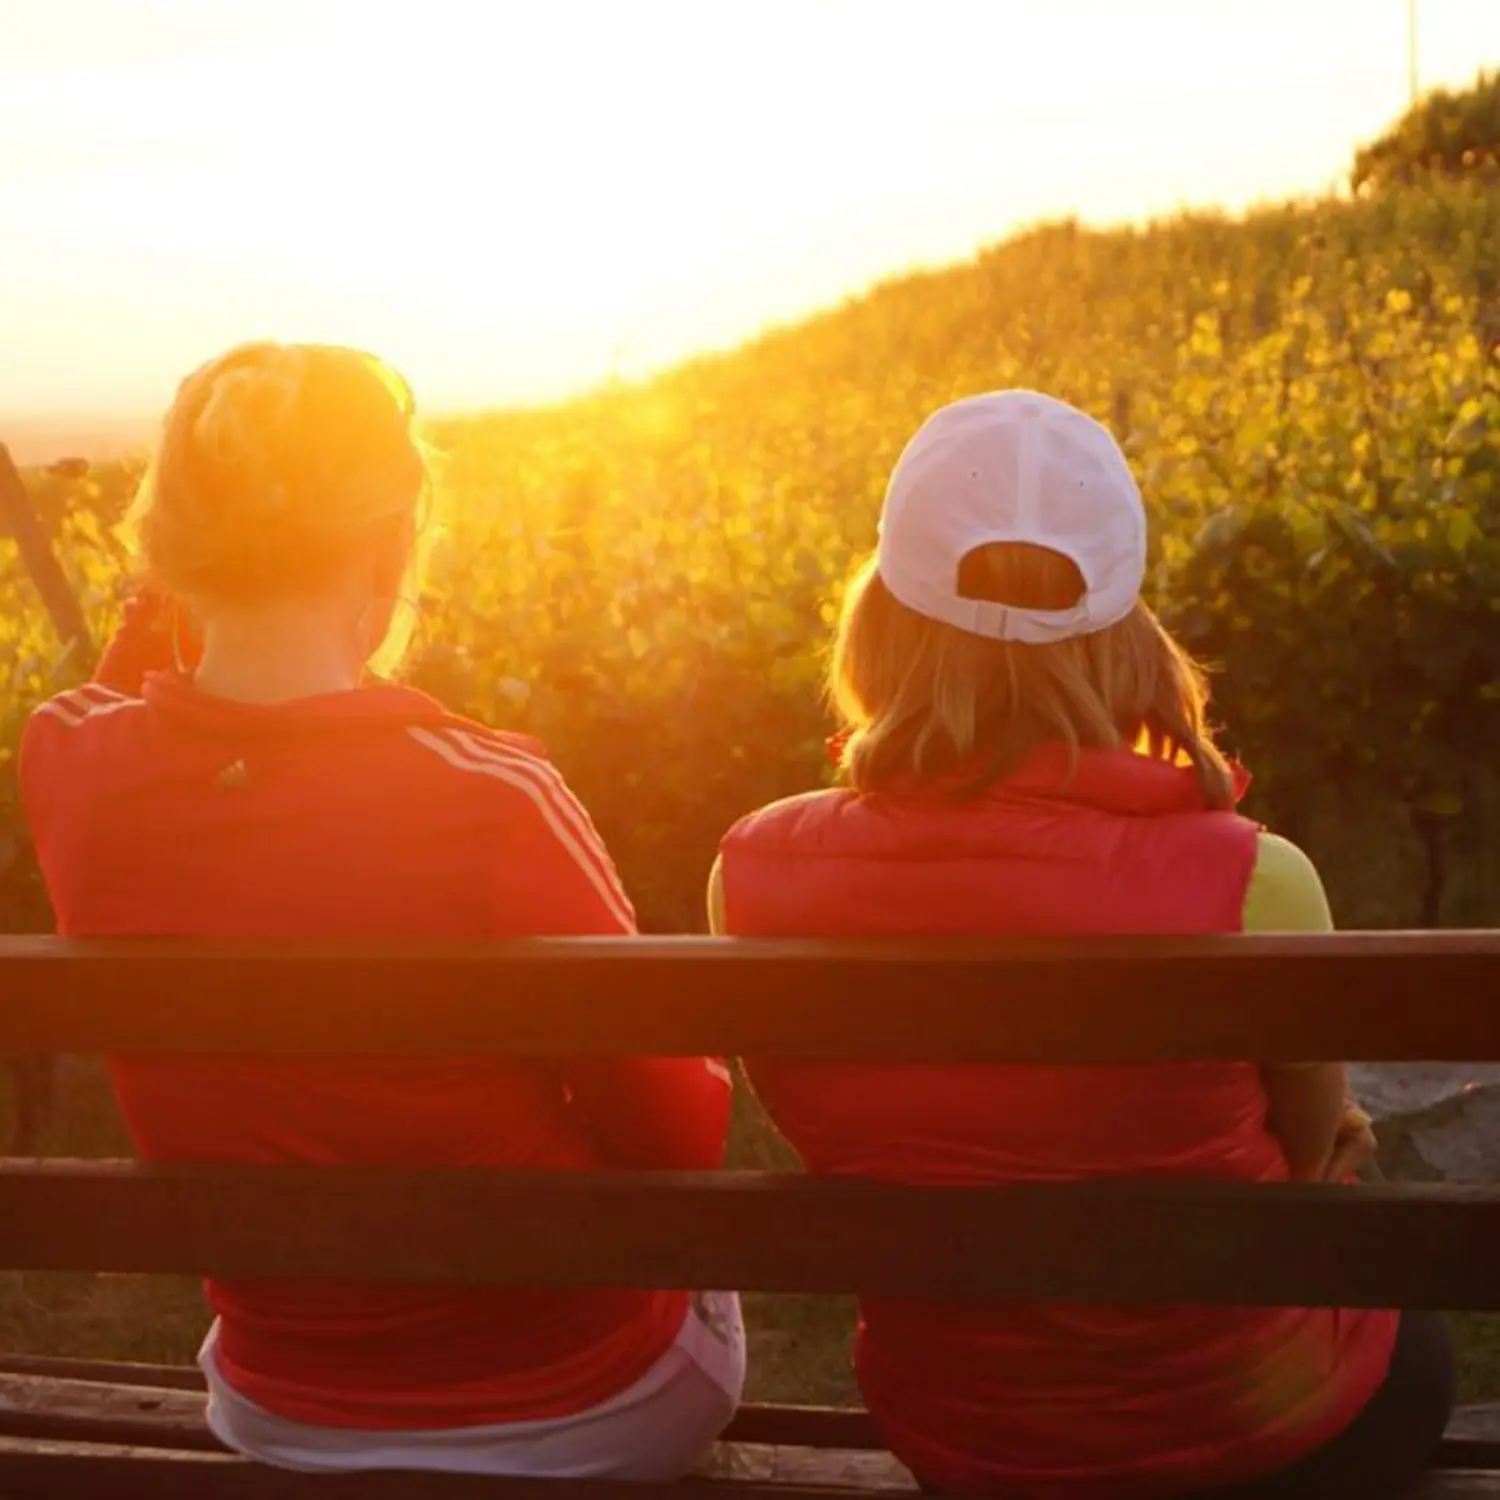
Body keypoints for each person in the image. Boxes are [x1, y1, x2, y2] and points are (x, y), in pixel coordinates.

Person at [709, 391, 1452, 1500]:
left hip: (965, 1433)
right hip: (1265, 1427)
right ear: (1121, 627)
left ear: (880, 617)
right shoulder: (1257, 877)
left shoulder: (752, 874)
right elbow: (1306, 1163)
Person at [20, 342, 743, 1479]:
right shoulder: (488, 793)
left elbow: (116, 696)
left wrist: (179, 579)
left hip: (283, 1403)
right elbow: (679, 1135)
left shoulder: (70, 766)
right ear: (389, 545)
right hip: (579, 1402)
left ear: (170, 551)